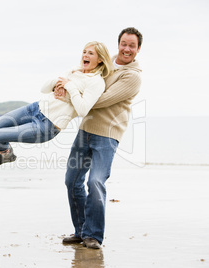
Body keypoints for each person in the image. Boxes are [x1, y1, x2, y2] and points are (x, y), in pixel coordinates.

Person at [62, 27, 143, 249]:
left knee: (95, 182)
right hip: (85, 130)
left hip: (107, 136)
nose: (127, 49)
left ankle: (93, 236)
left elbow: (100, 99)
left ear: (137, 49)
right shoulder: (104, 66)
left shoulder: (132, 77)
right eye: (124, 44)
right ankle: (80, 231)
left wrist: (73, 93)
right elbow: (81, 80)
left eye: (132, 46)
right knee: (72, 181)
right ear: (118, 44)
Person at [0, 41, 114, 166]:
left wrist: (70, 87)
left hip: (47, 125)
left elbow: (83, 110)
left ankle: (6, 155)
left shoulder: (96, 82)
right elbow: (44, 89)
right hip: (35, 108)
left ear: (100, 59)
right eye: (84, 52)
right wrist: (57, 84)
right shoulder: (74, 70)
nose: (85, 55)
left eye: (91, 53)